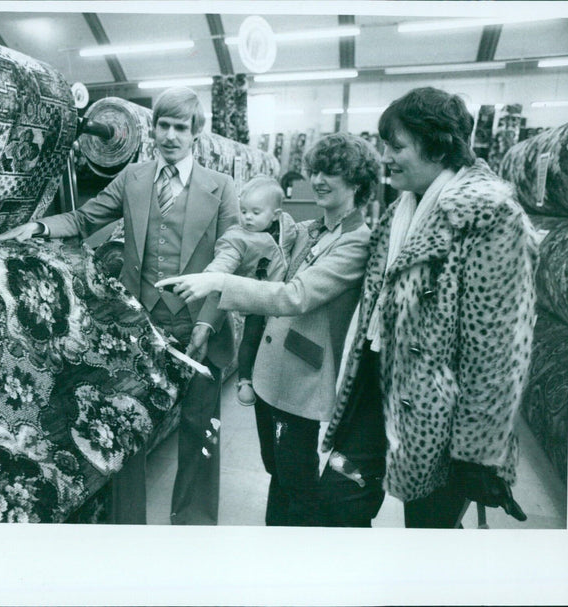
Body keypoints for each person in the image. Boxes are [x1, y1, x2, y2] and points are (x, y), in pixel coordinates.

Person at [0, 87, 240, 525]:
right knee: (129, 428)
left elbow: (230, 258)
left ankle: (194, 525)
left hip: (197, 325)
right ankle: (128, 528)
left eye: (181, 127)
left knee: (201, 430)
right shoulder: (134, 178)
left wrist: (207, 325)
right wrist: (37, 227)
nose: (170, 135)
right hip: (138, 326)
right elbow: (84, 218)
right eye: (163, 125)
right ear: (152, 129)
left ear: (196, 134)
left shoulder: (222, 189)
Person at [319, 86, 537, 528]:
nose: (385, 157)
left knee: (428, 531)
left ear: (437, 147)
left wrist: (476, 452)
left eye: (396, 146)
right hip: (374, 390)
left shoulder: (490, 218)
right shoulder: (400, 211)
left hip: (442, 416)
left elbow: (500, 349)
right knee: (336, 504)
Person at [157, 132, 379, 525]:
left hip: (301, 382)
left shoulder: (355, 242)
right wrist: (219, 266)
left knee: (297, 480)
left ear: (357, 182)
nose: (320, 179)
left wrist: (219, 284)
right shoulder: (309, 230)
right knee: (278, 471)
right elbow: (246, 245)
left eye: (333, 172)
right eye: (317, 170)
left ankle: (291, 559)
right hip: (268, 375)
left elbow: (295, 296)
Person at [201, 175, 298, 406]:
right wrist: (211, 276)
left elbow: (299, 237)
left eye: (255, 212)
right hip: (258, 299)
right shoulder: (238, 237)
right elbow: (227, 256)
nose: (247, 218)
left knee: (282, 341)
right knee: (251, 337)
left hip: (284, 300)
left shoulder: (288, 228)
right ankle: (244, 380)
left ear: (275, 216)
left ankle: (279, 379)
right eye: (243, 211)